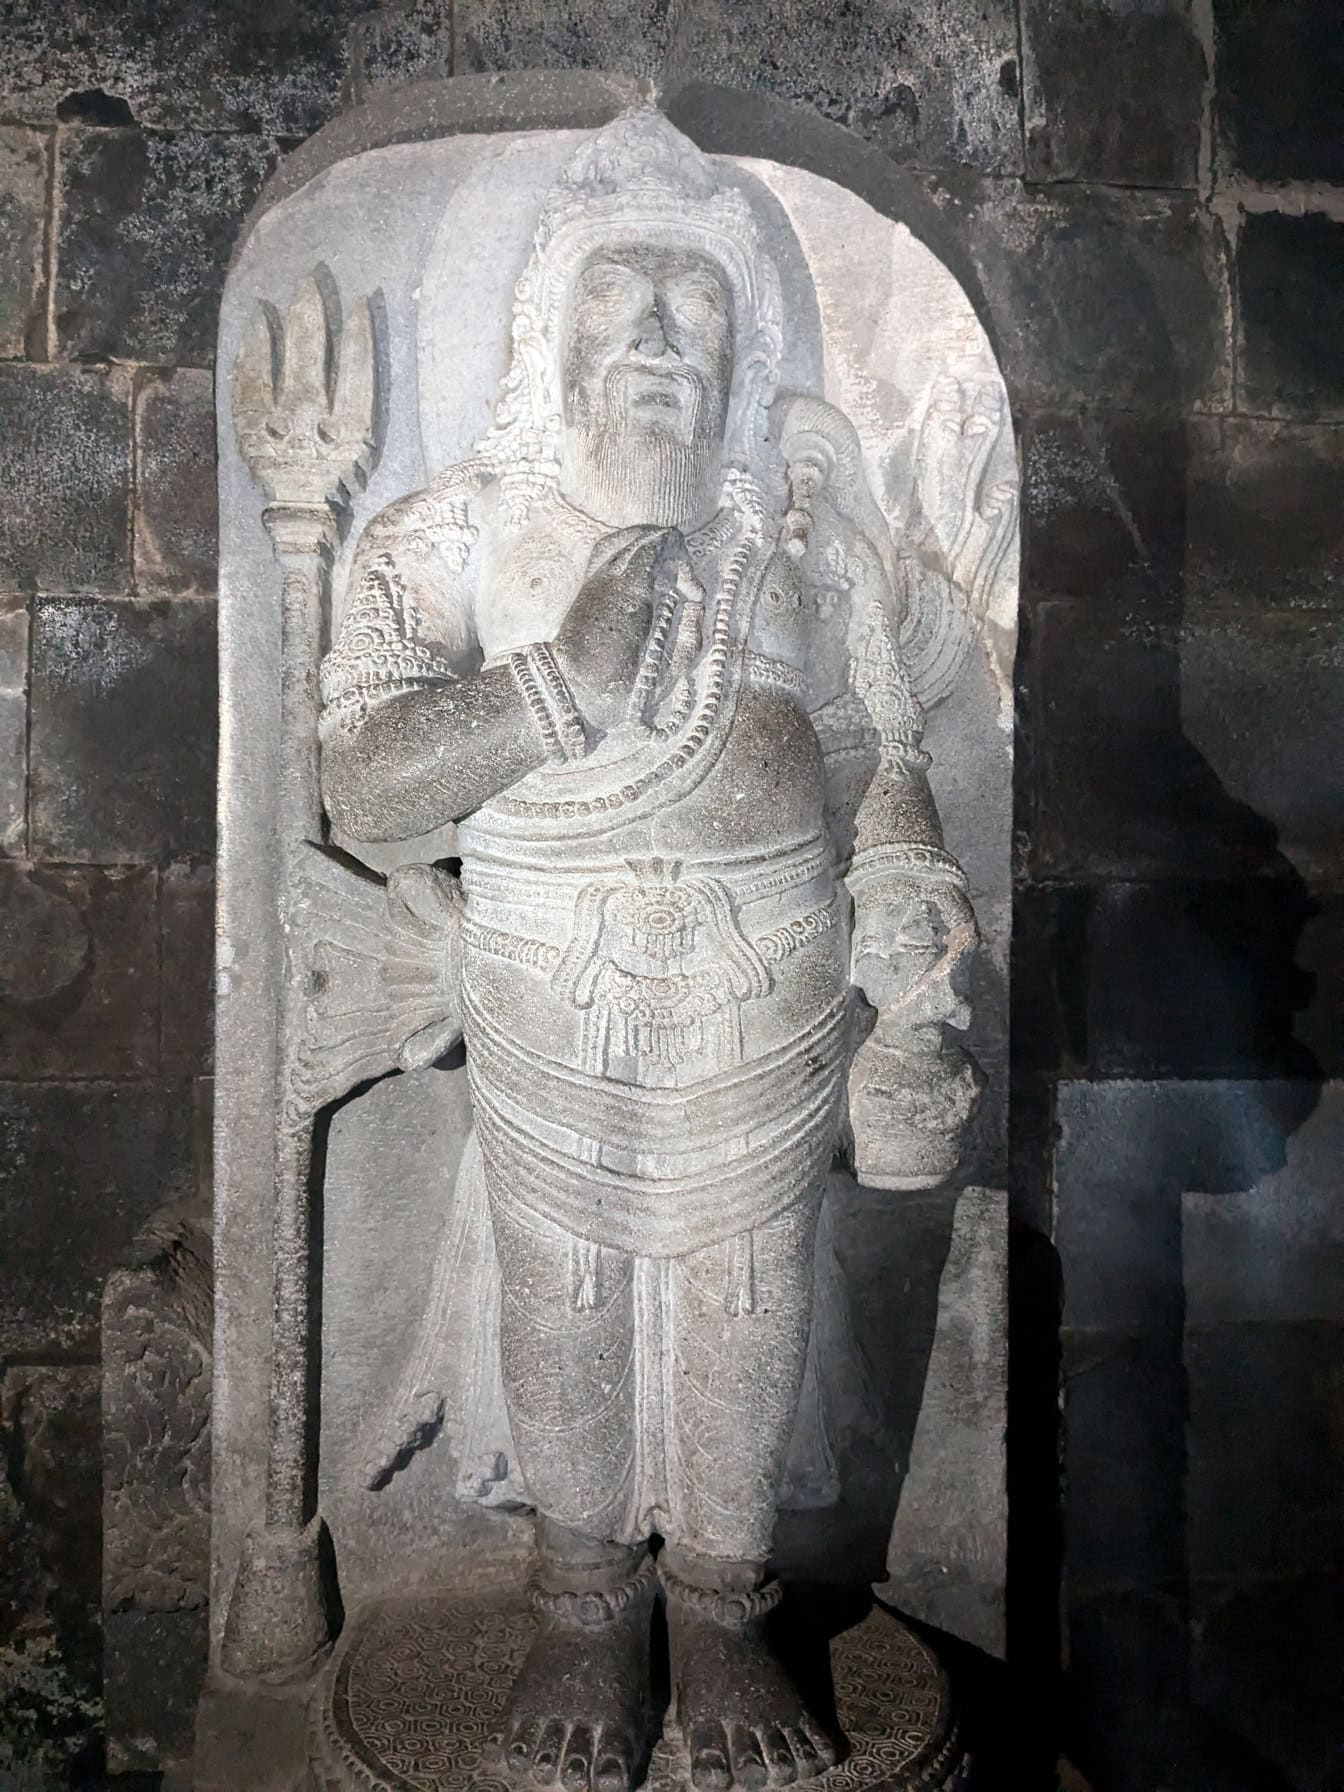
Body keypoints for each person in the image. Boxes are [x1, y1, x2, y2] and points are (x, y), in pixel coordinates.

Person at [320, 110, 974, 1792]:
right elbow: (364, 780)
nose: (669, 335)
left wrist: (907, 884)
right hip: (548, 983)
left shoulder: (796, 546)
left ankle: (724, 1613)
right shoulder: (460, 534)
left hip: (767, 991)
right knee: (566, 1282)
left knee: (751, 1291)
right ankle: (582, 1608)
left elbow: (872, 752)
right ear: (552, 328)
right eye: (630, 293)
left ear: (749, 342)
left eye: (702, 298)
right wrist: (551, 685)